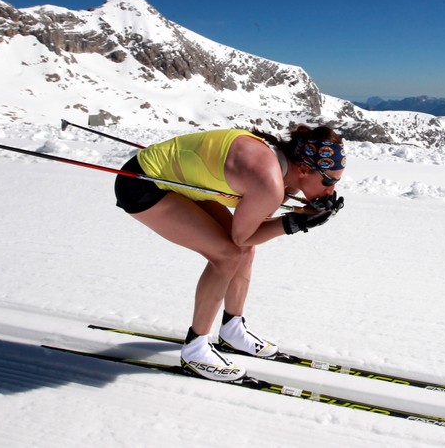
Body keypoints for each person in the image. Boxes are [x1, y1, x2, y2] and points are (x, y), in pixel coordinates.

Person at [113, 124, 345, 381]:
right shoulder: (269, 180)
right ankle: (195, 350)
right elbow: (242, 235)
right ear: (303, 169)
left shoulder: (282, 169)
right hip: (143, 184)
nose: (331, 191)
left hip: (178, 181)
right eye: (329, 181)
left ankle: (232, 330)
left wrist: (299, 212)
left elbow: (255, 225)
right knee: (227, 256)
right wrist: (295, 223)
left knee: (243, 251)